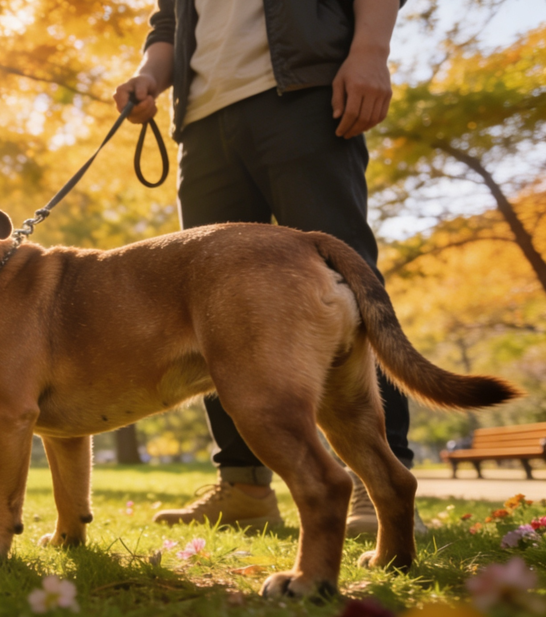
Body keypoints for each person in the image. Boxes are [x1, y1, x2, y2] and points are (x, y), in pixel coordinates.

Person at [114, 0, 417, 535]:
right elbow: (170, 22)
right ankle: (245, 486)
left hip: (303, 95)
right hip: (202, 126)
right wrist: (148, 77)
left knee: (342, 281)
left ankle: (378, 482)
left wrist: (370, 52)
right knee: (207, 311)